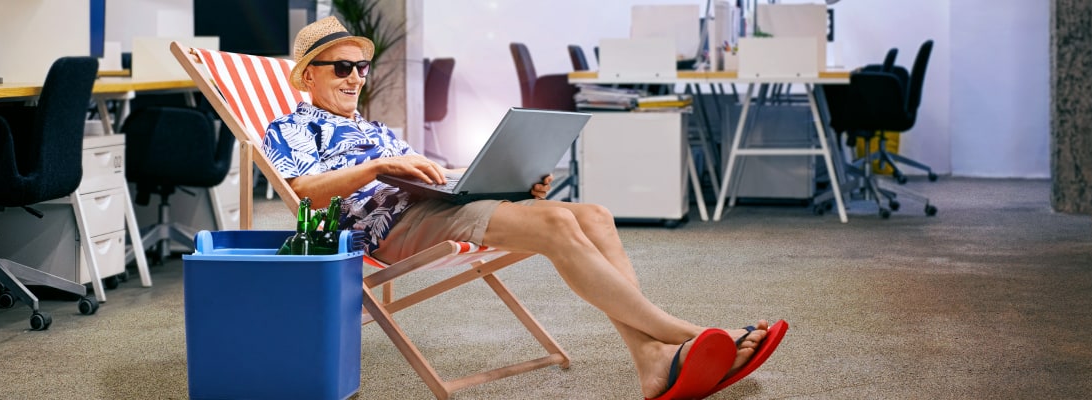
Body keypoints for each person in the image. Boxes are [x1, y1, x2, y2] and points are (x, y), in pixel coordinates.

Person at [264, 17, 786, 399]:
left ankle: (651, 360)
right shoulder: (291, 127)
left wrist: (506, 182)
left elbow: (428, 175)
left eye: (361, 66)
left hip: (434, 206)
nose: (356, 77)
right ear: (308, 77)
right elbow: (304, 191)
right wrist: (379, 167)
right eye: (342, 67)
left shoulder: (374, 128)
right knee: (556, 221)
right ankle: (683, 334)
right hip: (391, 227)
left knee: (595, 215)